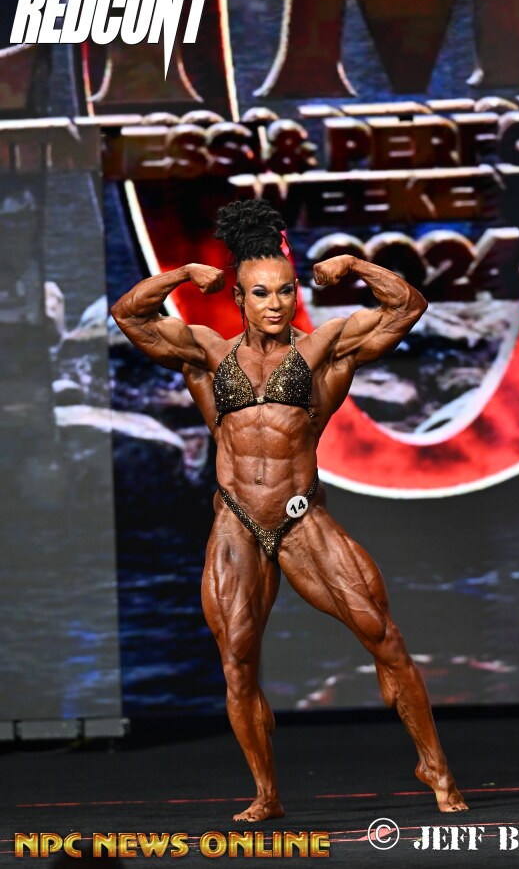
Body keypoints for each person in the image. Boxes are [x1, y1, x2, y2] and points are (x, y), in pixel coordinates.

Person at [110, 198, 468, 821]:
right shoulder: (207, 353)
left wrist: (354, 264)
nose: (274, 304)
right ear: (239, 299)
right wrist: (182, 274)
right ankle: (266, 794)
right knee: (237, 662)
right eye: (260, 293)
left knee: (383, 637)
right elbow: (129, 315)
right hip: (236, 521)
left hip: (301, 518)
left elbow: (407, 307)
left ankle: (434, 767)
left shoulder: (324, 349)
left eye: (284, 291)